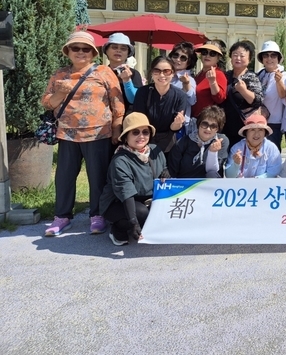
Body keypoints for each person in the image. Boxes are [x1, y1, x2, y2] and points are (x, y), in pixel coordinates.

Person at [42, 31, 125, 237]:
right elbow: (48, 103)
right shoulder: (60, 74)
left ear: (93, 52)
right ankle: (62, 216)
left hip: (98, 133)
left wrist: (117, 129)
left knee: (97, 178)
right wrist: (61, 92)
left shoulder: (104, 72)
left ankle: (97, 215)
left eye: (86, 49)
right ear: (68, 51)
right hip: (67, 134)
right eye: (75, 48)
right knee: (64, 177)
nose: (81, 52)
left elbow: (117, 102)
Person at [100, 112, 168, 246]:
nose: (141, 136)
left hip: (145, 199)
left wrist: (166, 173)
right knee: (142, 214)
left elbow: (164, 168)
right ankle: (118, 229)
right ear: (126, 136)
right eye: (135, 132)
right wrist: (133, 222)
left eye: (145, 132)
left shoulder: (155, 150)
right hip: (119, 201)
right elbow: (126, 194)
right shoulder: (120, 161)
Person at [132, 56, 189, 154]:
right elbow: (138, 120)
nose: (162, 75)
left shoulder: (180, 96)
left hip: (168, 144)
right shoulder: (142, 92)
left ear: (173, 73)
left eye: (166, 71)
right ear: (152, 73)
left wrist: (177, 123)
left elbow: (174, 128)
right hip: (144, 139)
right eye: (157, 71)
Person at [167, 106, 230, 178]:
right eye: (204, 124)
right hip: (185, 182)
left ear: (218, 129)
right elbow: (172, 171)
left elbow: (213, 172)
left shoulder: (222, 141)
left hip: (209, 183)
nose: (208, 129)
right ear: (198, 124)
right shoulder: (183, 142)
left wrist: (212, 153)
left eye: (213, 126)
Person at [223, 40, 264, 148]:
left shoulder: (251, 77)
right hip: (224, 126)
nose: (238, 58)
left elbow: (258, 101)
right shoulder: (226, 75)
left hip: (243, 128)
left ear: (249, 59)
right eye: (235, 55)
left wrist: (243, 91)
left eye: (242, 56)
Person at [225, 114, 282, 178]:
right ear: (246, 132)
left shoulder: (271, 148)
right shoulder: (237, 148)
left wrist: (257, 179)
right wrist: (236, 164)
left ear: (265, 133)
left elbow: (274, 171)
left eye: (260, 130)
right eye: (252, 130)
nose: (256, 134)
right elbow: (229, 176)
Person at [256, 40, 286, 150]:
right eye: (266, 55)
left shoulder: (284, 76)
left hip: (274, 123)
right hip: (258, 121)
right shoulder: (260, 74)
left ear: (278, 58)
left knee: (272, 153)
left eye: (273, 55)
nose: (269, 58)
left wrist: (279, 82)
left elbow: (284, 96)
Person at [103, 32, 143, 107]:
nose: (118, 51)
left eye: (123, 49)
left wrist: (127, 81)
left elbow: (135, 99)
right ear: (106, 51)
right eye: (114, 47)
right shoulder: (101, 73)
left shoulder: (134, 74)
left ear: (128, 53)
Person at [194, 41, 228, 117]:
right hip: (193, 118)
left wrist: (213, 82)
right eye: (204, 52)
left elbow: (220, 98)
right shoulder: (199, 74)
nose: (207, 56)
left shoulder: (219, 74)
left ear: (218, 58)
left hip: (207, 119)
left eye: (212, 53)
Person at [168, 42, 197, 127]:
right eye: (175, 55)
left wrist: (186, 84)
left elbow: (192, 101)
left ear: (189, 62)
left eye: (183, 58)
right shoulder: (166, 76)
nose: (178, 59)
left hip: (180, 125)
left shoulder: (190, 79)